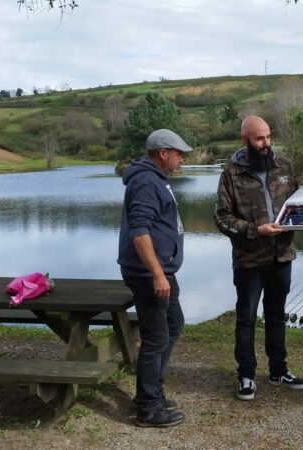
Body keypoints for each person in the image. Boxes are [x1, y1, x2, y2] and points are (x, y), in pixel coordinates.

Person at [214, 115, 303, 401]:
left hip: (282, 256)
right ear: (245, 140)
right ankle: (246, 375)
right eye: (259, 139)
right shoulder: (231, 173)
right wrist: (255, 230)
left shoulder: (283, 167)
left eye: (268, 137)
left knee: (277, 316)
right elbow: (221, 218)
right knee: (246, 318)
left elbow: (298, 203)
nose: (266, 144)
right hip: (249, 260)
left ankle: (279, 370)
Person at [117, 129, 191, 428]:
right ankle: (147, 408)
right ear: (163, 153)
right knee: (156, 337)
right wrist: (158, 274)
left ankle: (153, 392)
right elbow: (139, 232)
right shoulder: (147, 181)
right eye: (178, 153)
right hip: (149, 274)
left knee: (173, 325)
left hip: (160, 271)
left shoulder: (155, 178)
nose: (182, 158)